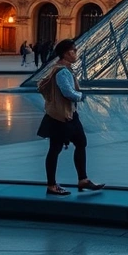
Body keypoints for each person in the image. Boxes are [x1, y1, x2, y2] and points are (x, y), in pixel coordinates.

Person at [36, 38, 104, 196]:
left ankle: (83, 179)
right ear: (66, 53)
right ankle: (52, 185)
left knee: (80, 142)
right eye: (74, 50)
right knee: (55, 149)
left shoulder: (61, 68)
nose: (76, 53)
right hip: (61, 117)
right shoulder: (62, 71)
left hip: (67, 115)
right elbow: (67, 92)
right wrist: (81, 96)